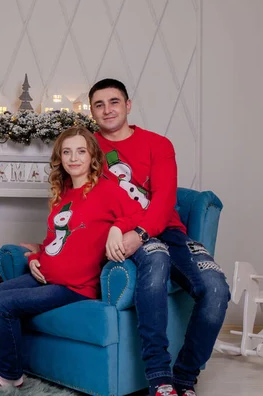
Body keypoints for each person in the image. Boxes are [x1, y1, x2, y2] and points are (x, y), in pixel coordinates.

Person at [88, 78, 230, 396]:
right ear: (92, 112)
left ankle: (184, 377)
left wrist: (140, 232)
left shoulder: (158, 144)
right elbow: (88, 203)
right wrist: (123, 231)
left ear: (128, 105)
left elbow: (165, 200)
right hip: (123, 234)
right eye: (99, 104)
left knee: (217, 290)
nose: (107, 109)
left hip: (168, 231)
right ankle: (160, 378)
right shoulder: (87, 148)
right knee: (155, 262)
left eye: (114, 101)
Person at [0, 126, 146, 388]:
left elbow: (141, 213)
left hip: (74, 287)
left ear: (92, 157)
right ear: (60, 157)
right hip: (46, 275)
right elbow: (54, 241)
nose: (73, 158)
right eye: (67, 152)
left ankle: (11, 377)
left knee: (4, 304)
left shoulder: (106, 190)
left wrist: (117, 227)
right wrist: (34, 258)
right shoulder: (62, 193)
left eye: (80, 151)